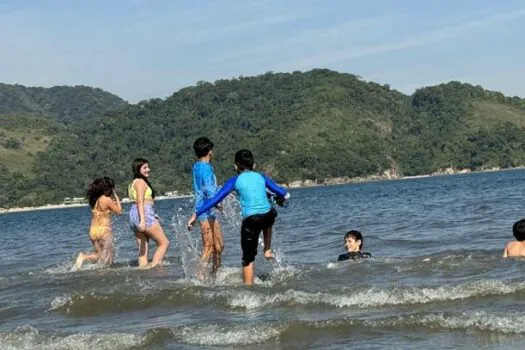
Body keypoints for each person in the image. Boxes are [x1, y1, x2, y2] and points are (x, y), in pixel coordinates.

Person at [187, 149, 290, 285]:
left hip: (251, 221)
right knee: (268, 215)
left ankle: (248, 289)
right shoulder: (262, 177)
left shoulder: (234, 180)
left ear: (236, 166)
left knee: (248, 259)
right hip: (268, 216)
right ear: (254, 166)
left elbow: (214, 200)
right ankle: (267, 249)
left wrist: (196, 214)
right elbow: (281, 192)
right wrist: (282, 197)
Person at [128, 158, 170, 268]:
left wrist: (151, 214)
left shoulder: (133, 182)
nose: (148, 169)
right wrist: (143, 220)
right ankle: (154, 267)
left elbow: (138, 202)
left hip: (134, 214)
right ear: (138, 169)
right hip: (143, 213)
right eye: (145, 168)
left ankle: (143, 271)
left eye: (148, 167)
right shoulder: (141, 182)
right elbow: (140, 201)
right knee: (164, 243)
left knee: (143, 249)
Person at [192, 137, 224, 277]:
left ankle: (214, 275)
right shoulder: (205, 168)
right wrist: (217, 202)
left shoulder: (197, 166)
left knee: (219, 246)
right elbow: (209, 190)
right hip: (205, 209)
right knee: (210, 246)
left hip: (208, 209)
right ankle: (199, 277)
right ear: (209, 151)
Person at [75, 177, 122, 269]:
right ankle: (106, 272)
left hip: (93, 230)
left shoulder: (94, 200)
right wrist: (117, 198)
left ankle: (84, 257)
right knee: (109, 255)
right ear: (107, 189)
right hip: (104, 230)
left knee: (99, 254)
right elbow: (119, 212)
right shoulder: (106, 199)